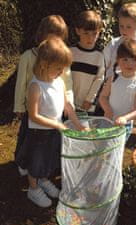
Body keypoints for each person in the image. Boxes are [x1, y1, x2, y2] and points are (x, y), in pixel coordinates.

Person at [16, 36, 87, 208]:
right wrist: (57, 124)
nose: (61, 72)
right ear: (44, 64)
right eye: (58, 68)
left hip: (53, 131)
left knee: (48, 159)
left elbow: (68, 107)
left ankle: (43, 179)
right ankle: (33, 188)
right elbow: (33, 116)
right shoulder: (35, 86)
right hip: (38, 133)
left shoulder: (58, 82)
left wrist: (78, 125)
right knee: (36, 161)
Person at [14, 15, 74, 175]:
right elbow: (21, 83)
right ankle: (23, 161)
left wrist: (69, 103)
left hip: (50, 108)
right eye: (51, 37)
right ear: (42, 34)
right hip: (33, 106)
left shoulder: (60, 59)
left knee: (45, 142)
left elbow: (66, 83)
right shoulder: (28, 56)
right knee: (27, 137)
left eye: (59, 39)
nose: (55, 43)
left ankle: (38, 166)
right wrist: (19, 105)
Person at [99, 39, 136, 140]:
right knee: (102, 147)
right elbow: (103, 97)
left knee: (115, 150)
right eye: (125, 59)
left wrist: (125, 118)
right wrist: (107, 109)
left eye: (134, 59)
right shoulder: (113, 78)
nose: (129, 64)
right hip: (108, 120)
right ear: (117, 60)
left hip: (124, 125)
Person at [104, 2, 136, 94]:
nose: (124, 30)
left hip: (131, 87)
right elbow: (103, 63)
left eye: (128, 27)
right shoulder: (113, 44)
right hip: (112, 87)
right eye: (121, 26)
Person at [70, 10, 105, 114]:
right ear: (78, 31)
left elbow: (99, 80)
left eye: (94, 34)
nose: (90, 38)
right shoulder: (70, 52)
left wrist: (90, 99)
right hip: (68, 104)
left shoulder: (99, 57)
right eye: (86, 33)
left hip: (87, 107)